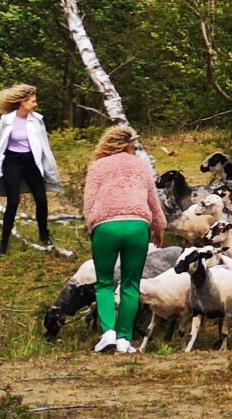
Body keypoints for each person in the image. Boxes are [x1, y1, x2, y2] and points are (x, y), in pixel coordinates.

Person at [83, 126, 167, 354]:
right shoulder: (140, 165)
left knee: (104, 283)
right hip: (137, 225)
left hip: (105, 226)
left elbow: (89, 202)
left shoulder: (97, 167)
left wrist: (92, 226)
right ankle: (124, 339)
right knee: (131, 283)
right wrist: (159, 228)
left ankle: (108, 332)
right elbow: (153, 200)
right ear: (130, 145)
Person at [0, 84, 62, 257]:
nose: (35, 104)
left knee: (41, 199)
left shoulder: (37, 121)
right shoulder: (5, 121)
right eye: (32, 101)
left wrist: (49, 168)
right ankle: (3, 243)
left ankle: (44, 235)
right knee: (13, 201)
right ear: (22, 102)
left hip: (31, 162)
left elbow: (44, 147)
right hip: (12, 162)